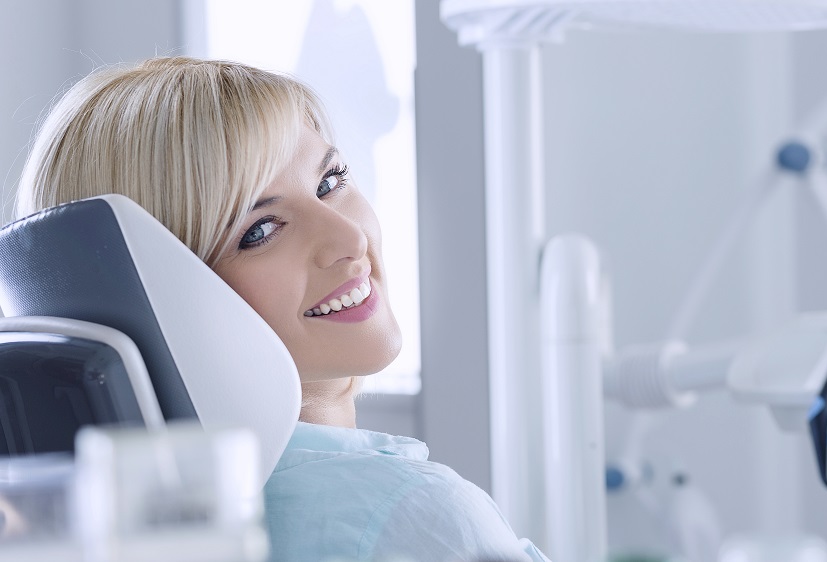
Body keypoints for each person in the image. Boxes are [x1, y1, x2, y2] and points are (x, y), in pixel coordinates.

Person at [15, 56, 550, 562]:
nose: (348, 239)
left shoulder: (123, 527)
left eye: (330, 182)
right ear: (160, 294)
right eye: (260, 231)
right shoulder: (411, 512)